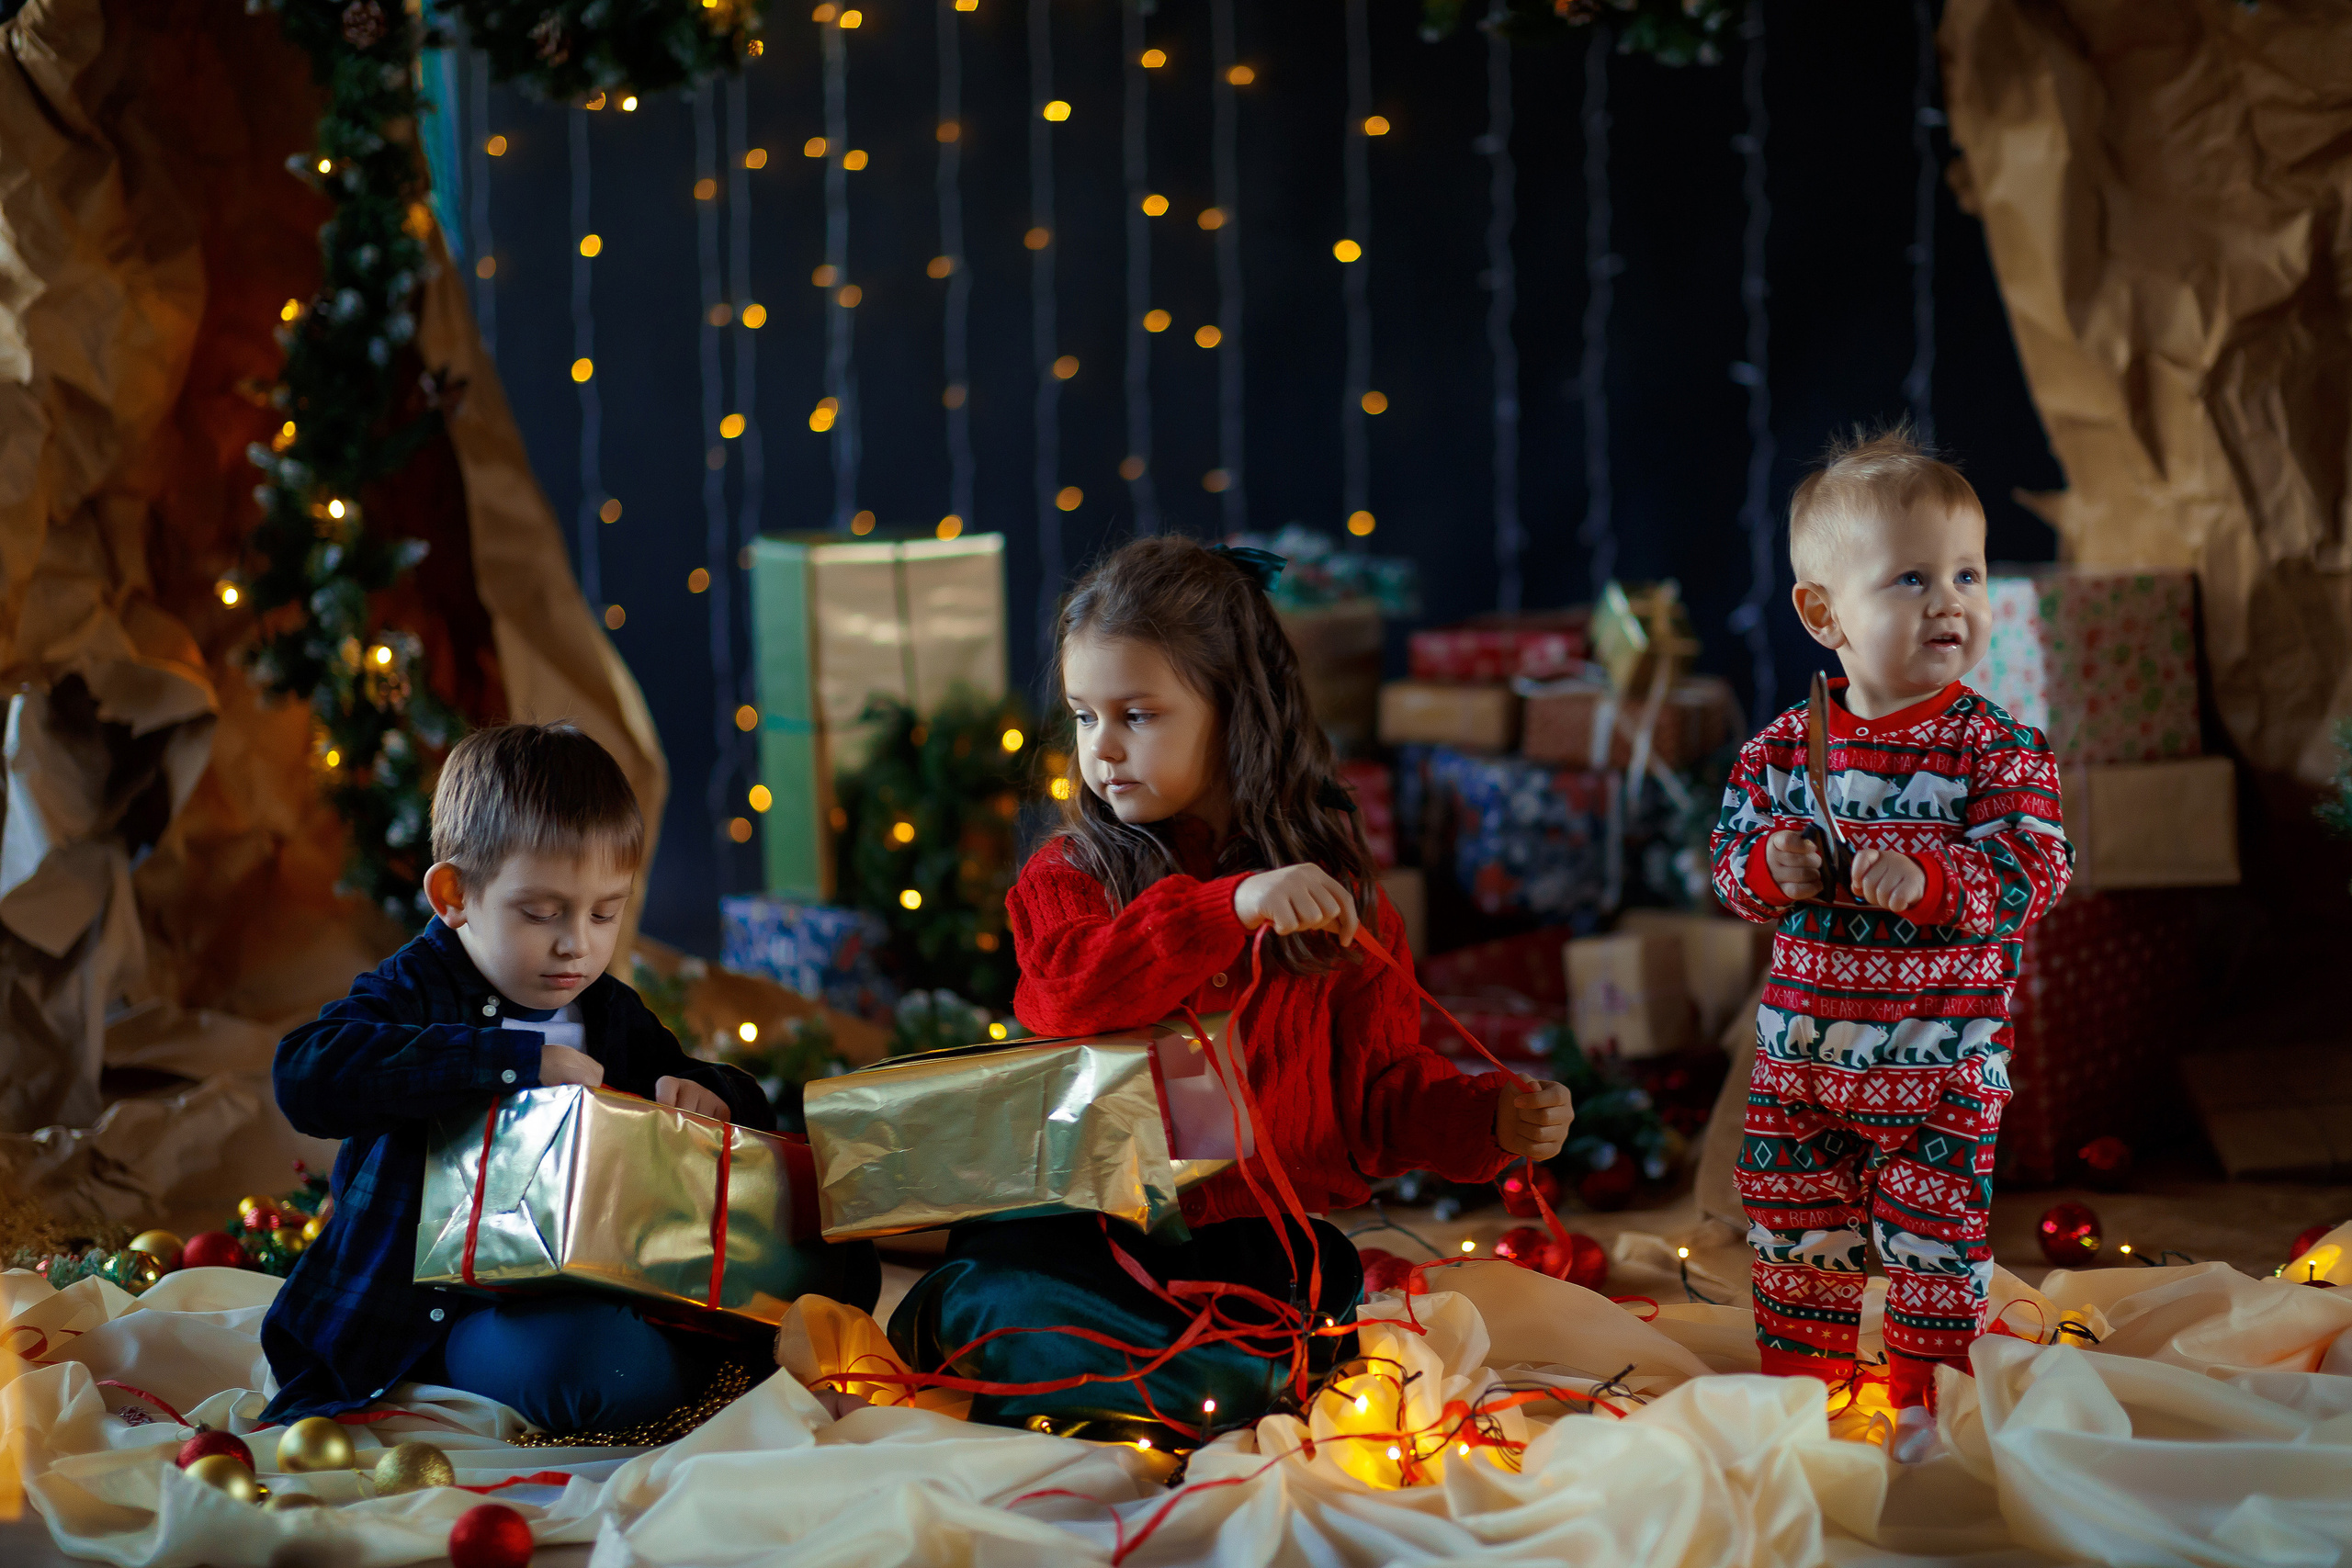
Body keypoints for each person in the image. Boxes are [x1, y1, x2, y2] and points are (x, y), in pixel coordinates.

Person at [888, 536, 1576, 1445]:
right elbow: (1063, 992)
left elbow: (1376, 1104)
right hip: (1089, 1228)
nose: (1104, 750)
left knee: (1301, 1319)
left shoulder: (1337, 905)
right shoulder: (1072, 873)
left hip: (1250, 1238)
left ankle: (1178, 1385)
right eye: (1084, 717)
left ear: (1234, 711)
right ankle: (1039, 1346)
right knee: (1015, 1299)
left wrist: (1489, 1120)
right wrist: (1229, 907)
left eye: (1137, 714)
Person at [260, 723, 873, 1432]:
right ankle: (719, 1379)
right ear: (455, 894)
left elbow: (716, 1087)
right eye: (542, 912)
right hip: (436, 1319)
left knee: (841, 1266)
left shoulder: (606, 1009)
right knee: (592, 1365)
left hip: (580, 1284)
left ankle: (709, 1366)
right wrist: (513, 1058)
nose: (575, 942)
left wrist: (707, 1092)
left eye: (605, 912)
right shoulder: (417, 987)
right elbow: (306, 1071)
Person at [1710, 427, 2072, 1462]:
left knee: (1933, 1238)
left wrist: (1936, 879)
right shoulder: (1782, 749)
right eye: (1911, 578)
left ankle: (1922, 1406)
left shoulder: (1994, 746)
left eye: (1966, 572)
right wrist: (1765, 867)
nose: (1948, 600)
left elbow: (2036, 868)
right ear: (1823, 613)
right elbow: (1730, 862)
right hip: (1803, 1062)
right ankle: (1805, 1399)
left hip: (1943, 1062)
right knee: (1792, 1228)